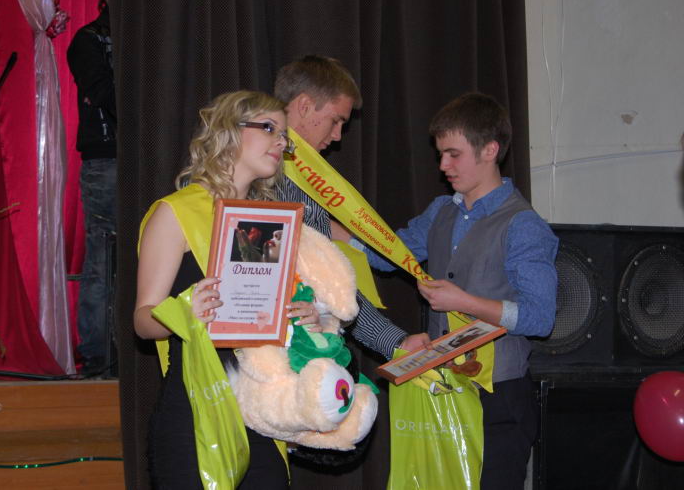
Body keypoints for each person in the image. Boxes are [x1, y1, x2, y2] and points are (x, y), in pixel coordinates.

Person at [363, 92, 559, 490]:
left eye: (454, 155)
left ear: (490, 150)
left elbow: (540, 317)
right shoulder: (441, 210)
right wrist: (327, 228)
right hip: (444, 389)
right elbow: (385, 254)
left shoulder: (524, 225)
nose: (443, 166)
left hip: (498, 399)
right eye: (440, 155)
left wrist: (464, 302)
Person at [134, 90, 320, 489]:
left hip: (261, 410)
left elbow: (266, 319)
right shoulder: (176, 212)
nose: (281, 142)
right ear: (229, 131)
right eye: (269, 128)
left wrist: (303, 317)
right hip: (195, 408)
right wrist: (185, 312)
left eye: (284, 136)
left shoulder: (269, 222)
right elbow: (142, 321)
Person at [273, 55, 429, 358]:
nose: (337, 136)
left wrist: (395, 342)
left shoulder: (308, 183)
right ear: (304, 106)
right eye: (336, 121)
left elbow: (331, 281)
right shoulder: (252, 173)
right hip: (264, 355)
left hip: (304, 350)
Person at [67, 0, 116, 376]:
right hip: (106, 158)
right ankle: (98, 354)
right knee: (102, 255)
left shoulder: (151, 37)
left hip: (147, 157)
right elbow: (105, 93)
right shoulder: (88, 39)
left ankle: (127, 353)